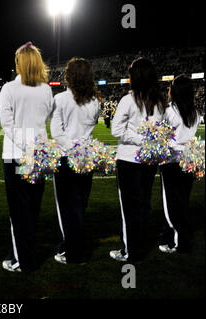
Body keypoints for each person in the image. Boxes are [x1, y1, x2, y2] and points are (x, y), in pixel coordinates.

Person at [0, 42, 54, 272]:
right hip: (39, 155)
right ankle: (25, 254)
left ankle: (20, 259)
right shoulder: (46, 89)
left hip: (17, 157)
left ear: (20, 62)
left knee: (18, 209)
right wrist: (35, 146)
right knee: (33, 207)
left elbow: (8, 126)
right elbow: (48, 118)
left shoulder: (9, 89)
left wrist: (26, 146)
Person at [110, 57, 168, 263]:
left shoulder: (129, 99)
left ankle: (130, 252)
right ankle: (140, 247)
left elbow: (116, 129)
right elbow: (162, 132)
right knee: (144, 204)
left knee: (130, 208)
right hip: (150, 160)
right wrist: (148, 140)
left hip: (128, 161)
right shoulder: (160, 102)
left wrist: (138, 138)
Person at [50, 57, 101, 264]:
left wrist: (73, 150)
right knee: (80, 204)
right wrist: (81, 150)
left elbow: (56, 132)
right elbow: (93, 124)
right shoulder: (95, 101)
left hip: (66, 159)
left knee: (66, 207)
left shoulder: (60, 99)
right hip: (86, 158)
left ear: (69, 76)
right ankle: (74, 247)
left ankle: (71, 251)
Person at [158, 75, 200, 254]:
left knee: (171, 204)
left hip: (172, 161)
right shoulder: (195, 112)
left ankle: (179, 242)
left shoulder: (169, 111)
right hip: (189, 159)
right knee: (183, 200)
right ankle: (172, 234)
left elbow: (161, 136)